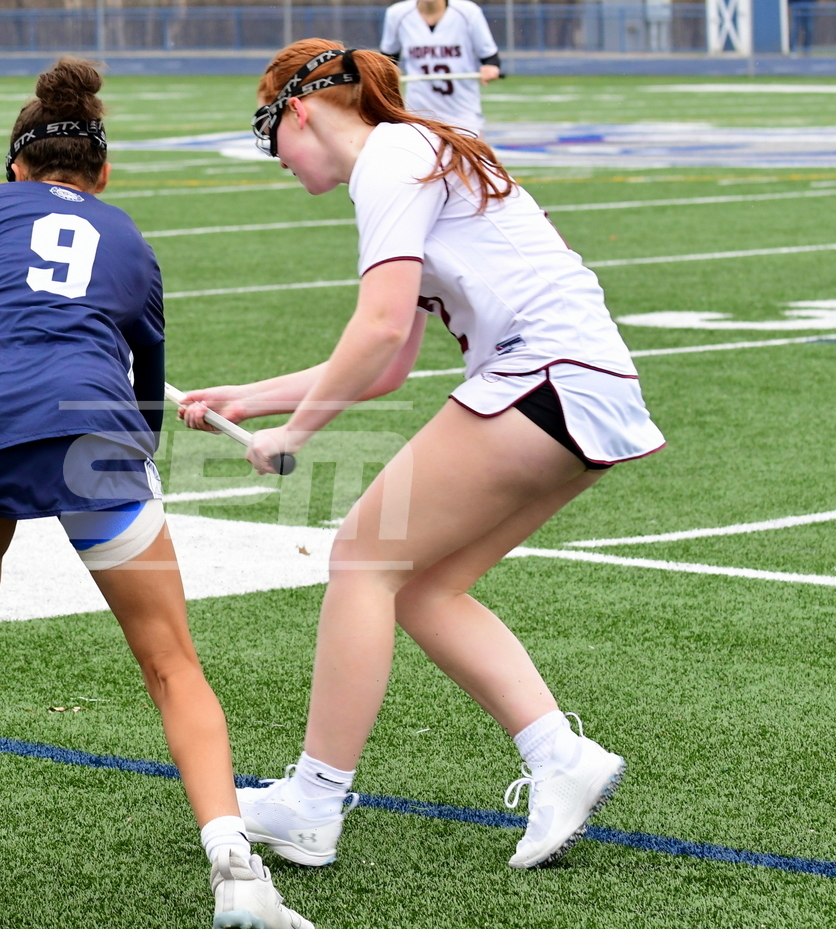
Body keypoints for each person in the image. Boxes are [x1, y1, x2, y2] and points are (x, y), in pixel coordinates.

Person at [180, 42, 665, 871]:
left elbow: (375, 330)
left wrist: (297, 434)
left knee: (361, 559)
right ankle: (560, 756)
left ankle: (313, 802)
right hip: (583, 387)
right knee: (422, 585)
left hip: (545, 375)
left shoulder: (392, 156)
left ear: (301, 108)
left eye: (270, 132)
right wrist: (251, 399)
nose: (275, 156)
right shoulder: (410, 153)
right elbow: (388, 363)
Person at [0, 57, 314, 929]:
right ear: (104, 172)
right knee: (171, 663)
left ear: (16, 165)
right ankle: (237, 871)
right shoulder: (129, 240)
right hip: (96, 436)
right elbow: (148, 405)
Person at [380, 0, 502, 137]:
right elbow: (387, 60)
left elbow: (490, 57)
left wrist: (490, 67)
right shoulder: (397, 14)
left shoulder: (469, 12)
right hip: (418, 115)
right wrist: (390, 72)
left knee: (474, 151)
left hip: (463, 115)